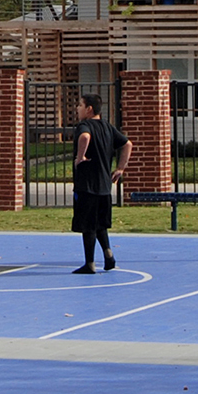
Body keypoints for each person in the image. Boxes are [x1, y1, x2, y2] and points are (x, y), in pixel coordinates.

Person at [70, 92, 128, 274]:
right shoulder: (108, 127)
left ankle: (89, 263)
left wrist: (80, 157)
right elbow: (127, 144)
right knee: (100, 223)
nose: (77, 108)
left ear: (89, 109)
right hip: (104, 185)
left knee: (88, 225)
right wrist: (120, 168)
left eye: (80, 105)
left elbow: (85, 137)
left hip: (87, 184)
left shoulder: (84, 126)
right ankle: (108, 255)